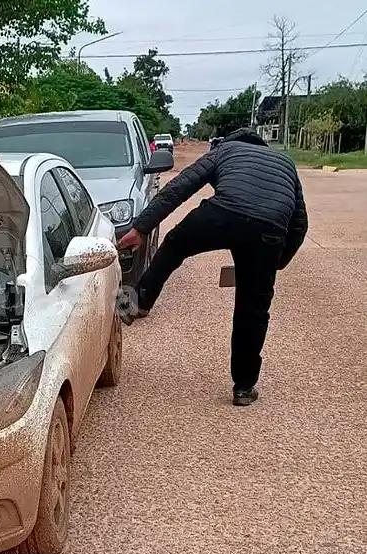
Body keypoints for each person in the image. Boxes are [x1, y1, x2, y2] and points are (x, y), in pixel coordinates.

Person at [116, 127, 308, 407]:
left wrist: (141, 228)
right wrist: (277, 261)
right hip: (269, 231)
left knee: (174, 244)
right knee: (252, 310)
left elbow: (179, 188)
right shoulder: (285, 163)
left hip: (222, 215)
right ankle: (244, 387)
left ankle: (138, 303)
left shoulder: (225, 151)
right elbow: (300, 224)